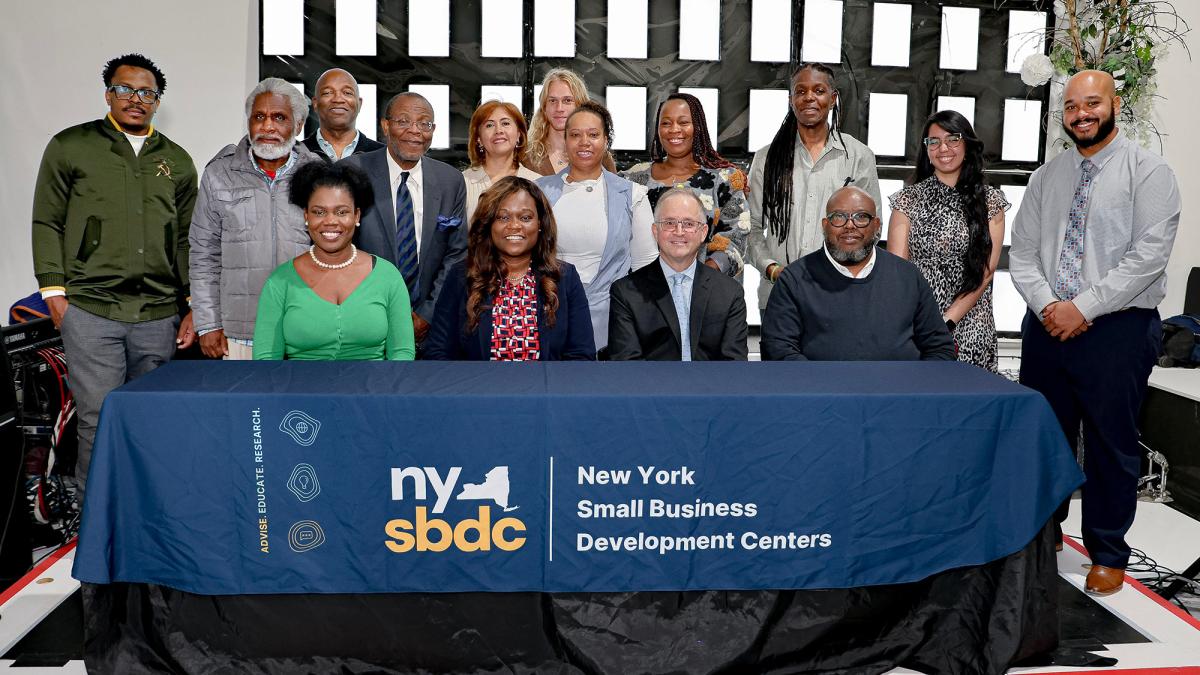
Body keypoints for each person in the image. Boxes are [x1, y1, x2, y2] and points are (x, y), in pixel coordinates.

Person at [1009, 70, 1180, 596]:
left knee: (1111, 443)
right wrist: (1049, 306)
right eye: (1071, 106)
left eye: (1092, 103)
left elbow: (1148, 257)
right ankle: (1046, 534)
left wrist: (1083, 307)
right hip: (1047, 325)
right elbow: (1023, 253)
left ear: (1114, 104)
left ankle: (1108, 551)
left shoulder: (1148, 173)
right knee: (1044, 438)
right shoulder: (1046, 177)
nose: (1081, 114)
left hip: (1118, 327)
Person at [31, 53, 197, 496]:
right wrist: (54, 292)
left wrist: (192, 304)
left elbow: (184, 239)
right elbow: (47, 221)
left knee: (150, 420)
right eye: (125, 89)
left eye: (147, 93)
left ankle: (146, 520)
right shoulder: (71, 146)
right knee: (99, 419)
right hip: (91, 310)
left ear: (157, 102)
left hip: (158, 314)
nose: (135, 99)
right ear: (109, 94)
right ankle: (95, 528)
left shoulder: (177, 161)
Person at [190, 78, 323, 360]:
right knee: (247, 407)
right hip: (238, 333)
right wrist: (208, 323)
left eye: (279, 117)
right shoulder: (219, 174)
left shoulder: (318, 174)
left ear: (298, 126)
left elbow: (333, 252)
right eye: (259, 117)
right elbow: (203, 255)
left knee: (304, 405)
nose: (267, 127)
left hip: (306, 329)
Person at [760, 187, 954, 362]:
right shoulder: (794, 279)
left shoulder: (908, 276)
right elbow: (779, 349)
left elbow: (939, 348)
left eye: (861, 217)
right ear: (825, 225)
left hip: (899, 395)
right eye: (839, 216)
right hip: (823, 396)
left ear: (876, 225)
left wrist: (914, 391)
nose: (850, 225)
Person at [748, 63, 881, 313]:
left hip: (840, 295)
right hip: (779, 297)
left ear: (832, 99)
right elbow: (752, 228)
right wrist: (771, 268)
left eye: (819, 90)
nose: (809, 97)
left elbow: (871, 227)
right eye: (801, 91)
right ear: (791, 100)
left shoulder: (858, 156)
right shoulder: (767, 159)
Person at [253, 162, 414, 360]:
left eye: (341, 212)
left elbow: (402, 354)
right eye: (319, 212)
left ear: (357, 215)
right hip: (299, 389)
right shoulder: (280, 281)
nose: (330, 221)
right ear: (306, 216)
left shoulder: (387, 276)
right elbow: (266, 359)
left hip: (375, 389)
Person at [887, 110, 1008, 372]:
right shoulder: (907, 200)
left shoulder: (991, 202)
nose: (943, 148)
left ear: (967, 144)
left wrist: (947, 322)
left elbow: (986, 273)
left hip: (972, 324)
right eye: (934, 141)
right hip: (916, 327)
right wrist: (924, 326)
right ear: (926, 150)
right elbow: (898, 273)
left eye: (953, 139)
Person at [344, 92, 467, 347]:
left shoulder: (450, 181)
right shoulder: (351, 171)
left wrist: (427, 315)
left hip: (432, 326)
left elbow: (456, 254)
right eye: (403, 121)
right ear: (385, 126)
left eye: (425, 123)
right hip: (365, 320)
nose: (415, 131)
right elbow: (342, 248)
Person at [425, 177, 595, 360]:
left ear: (540, 224)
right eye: (503, 217)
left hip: (547, 387)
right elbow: (438, 352)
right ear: (489, 224)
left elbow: (581, 356)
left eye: (525, 218)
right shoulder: (462, 276)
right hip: (477, 387)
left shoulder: (564, 278)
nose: (514, 226)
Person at [536, 102, 658, 354]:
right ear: (565, 139)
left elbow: (646, 265)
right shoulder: (538, 191)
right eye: (575, 135)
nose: (584, 142)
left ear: (606, 140)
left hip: (613, 318)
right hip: (547, 312)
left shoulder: (631, 194)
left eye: (593, 135)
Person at [609, 188, 747, 361]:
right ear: (655, 231)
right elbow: (627, 365)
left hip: (712, 386)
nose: (679, 231)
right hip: (649, 387)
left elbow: (734, 366)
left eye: (689, 224)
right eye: (669, 223)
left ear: (703, 232)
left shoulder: (729, 292)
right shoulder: (626, 292)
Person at [622, 93, 750, 277]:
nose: (674, 129)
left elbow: (736, 237)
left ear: (698, 127)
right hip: (641, 293)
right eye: (666, 123)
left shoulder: (724, 180)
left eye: (683, 122)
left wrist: (699, 279)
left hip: (705, 291)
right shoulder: (633, 179)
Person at [522, 68, 616, 176]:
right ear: (544, 107)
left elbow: (616, 192)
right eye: (552, 100)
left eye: (567, 100)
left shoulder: (600, 156)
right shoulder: (526, 156)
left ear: (580, 105)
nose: (559, 108)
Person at [463, 100, 542, 221]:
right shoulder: (462, 183)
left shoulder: (538, 183)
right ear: (478, 138)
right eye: (489, 125)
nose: (498, 131)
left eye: (505, 123)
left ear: (519, 134)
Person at [302, 68, 385, 161]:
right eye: (327, 93)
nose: (338, 99)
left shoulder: (384, 155)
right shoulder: (295, 154)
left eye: (347, 93)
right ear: (315, 104)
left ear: (359, 104)